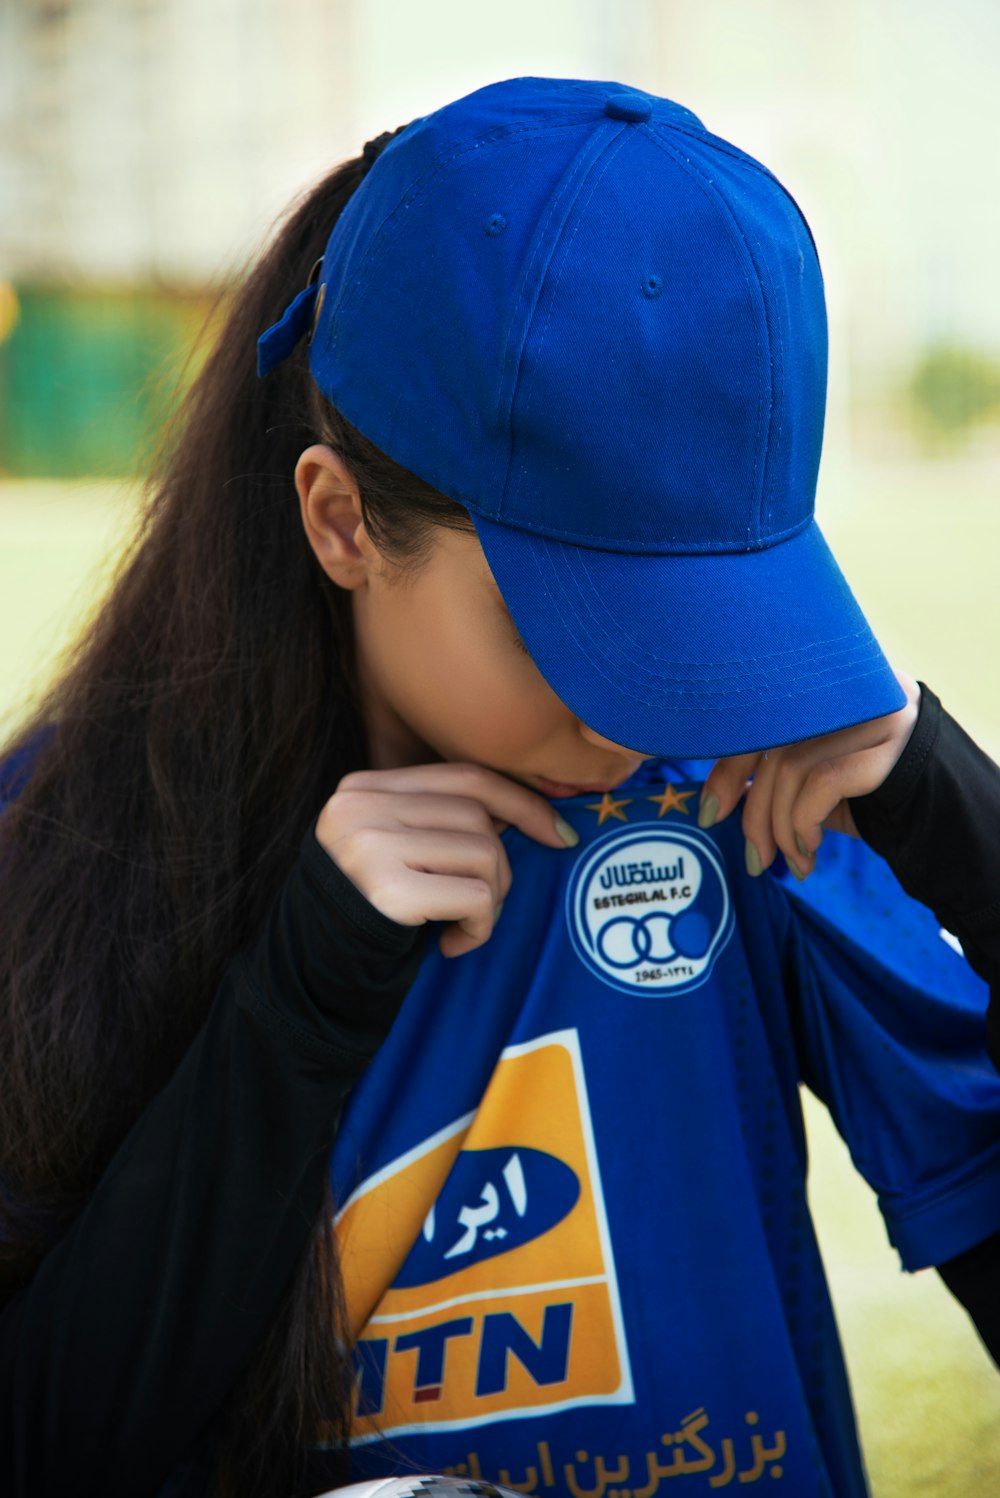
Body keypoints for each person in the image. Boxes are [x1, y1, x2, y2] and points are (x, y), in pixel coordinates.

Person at [1, 75, 999, 1498]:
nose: (655, 699)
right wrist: (292, 1009)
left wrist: (966, 830)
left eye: (706, 612)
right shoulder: (61, 843)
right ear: (339, 519)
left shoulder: (749, 799)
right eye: (578, 620)